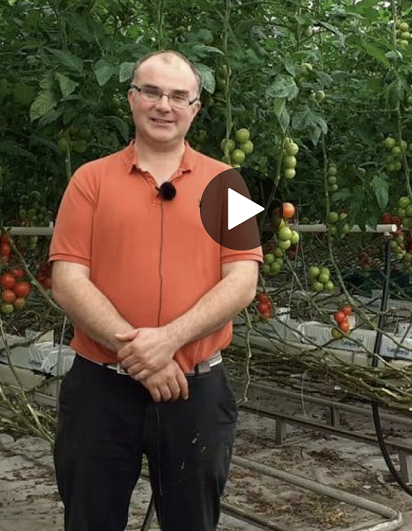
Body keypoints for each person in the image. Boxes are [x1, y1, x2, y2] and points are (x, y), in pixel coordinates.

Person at [49, 50, 262, 531]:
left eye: (178, 95)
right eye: (152, 92)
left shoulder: (229, 184)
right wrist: (140, 353)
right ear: (132, 100)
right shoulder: (89, 181)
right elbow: (67, 279)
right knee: (90, 519)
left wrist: (168, 342)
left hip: (195, 390)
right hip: (102, 391)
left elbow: (244, 280)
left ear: (195, 108)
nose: (164, 105)